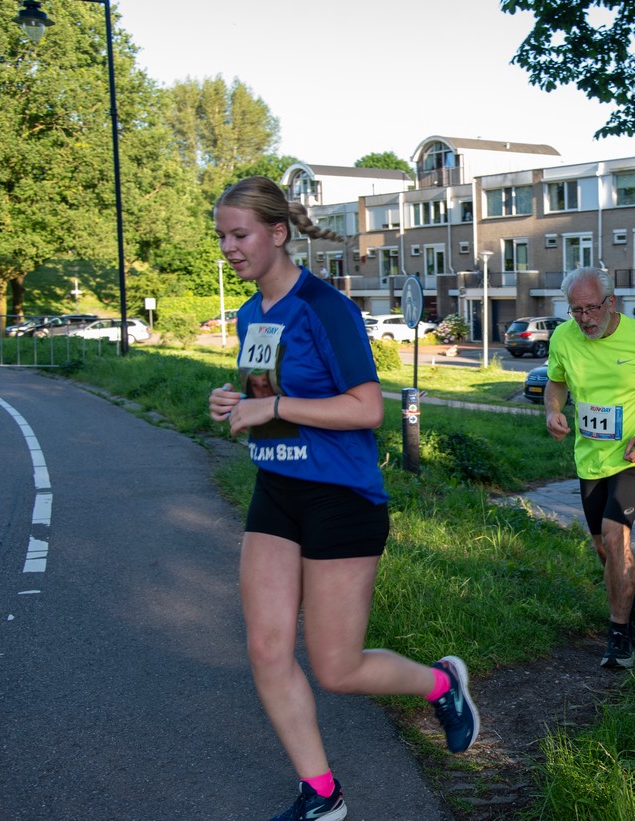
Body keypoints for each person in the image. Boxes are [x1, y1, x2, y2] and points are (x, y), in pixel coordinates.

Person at [207, 176, 478, 821]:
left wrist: (273, 406)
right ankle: (322, 795)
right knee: (266, 649)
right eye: (221, 237)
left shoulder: (325, 307)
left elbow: (367, 409)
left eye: (239, 235)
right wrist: (238, 404)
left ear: (278, 233)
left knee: (336, 668)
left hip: (341, 500)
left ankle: (441, 684)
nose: (229, 248)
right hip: (277, 490)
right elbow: (272, 401)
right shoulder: (250, 314)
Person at [543, 267, 635, 669]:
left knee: (615, 534)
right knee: (605, 549)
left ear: (611, 302)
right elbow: (556, 382)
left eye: (591, 308)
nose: (584, 318)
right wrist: (552, 410)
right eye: (576, 310)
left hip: (634, 455)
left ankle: (619, 634)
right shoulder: (563, 337)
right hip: (591, 458)